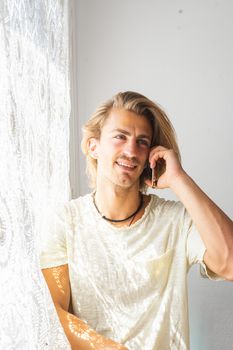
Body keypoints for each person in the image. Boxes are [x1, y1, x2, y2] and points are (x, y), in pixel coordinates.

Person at [40, 91, 233, 350]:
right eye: (120, 137)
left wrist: (178, 179)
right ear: (93, 146)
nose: (131, 151)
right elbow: (53, 313)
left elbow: (230, 264)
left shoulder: (175, 221)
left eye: (142, 142)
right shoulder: (66, 221)